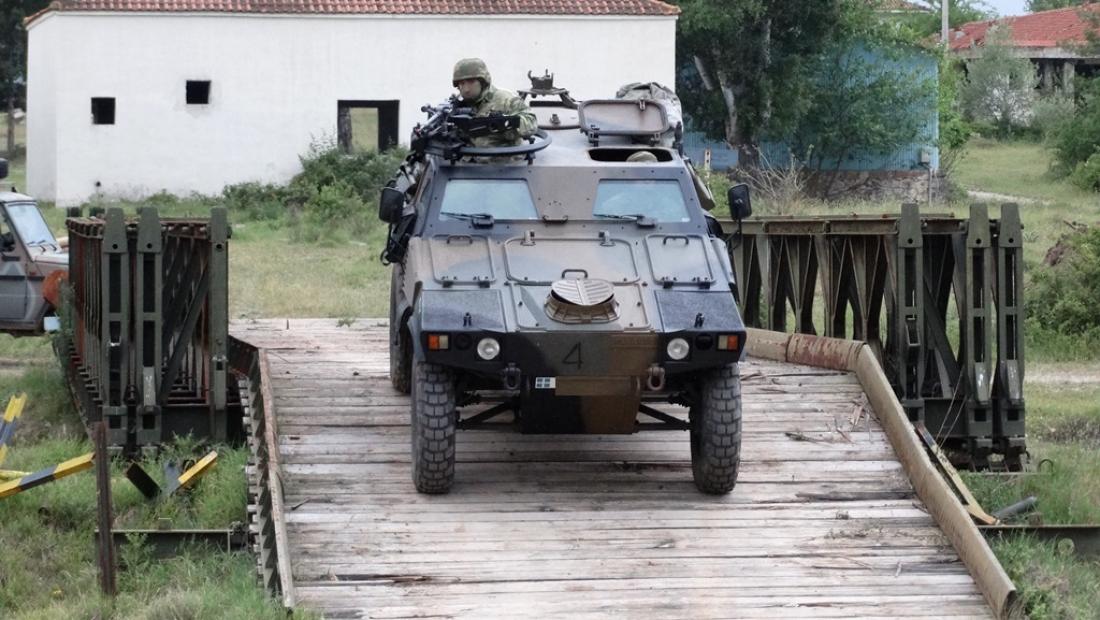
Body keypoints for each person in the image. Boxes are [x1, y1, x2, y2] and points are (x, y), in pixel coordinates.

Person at [452, 58, 537, 148]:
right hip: (468, 156)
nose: (466, 89)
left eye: (471, 82)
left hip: (502, 156)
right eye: (462, 83)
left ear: (483, 82)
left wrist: (504, 124)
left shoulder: (506, 99)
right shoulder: (458, 104)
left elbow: (531, 122)